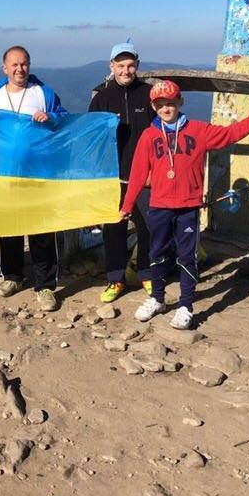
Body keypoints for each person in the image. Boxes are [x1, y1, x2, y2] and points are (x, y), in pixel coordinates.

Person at [121, 80, 249, 330]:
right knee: (155, 254)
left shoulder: (198, 130)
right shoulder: (148, 135)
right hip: (158, 206)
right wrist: (127, 207)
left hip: (188, 207)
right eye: (160, 104)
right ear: (153, 106)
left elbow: (231, 134)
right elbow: (137, 174)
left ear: (180, 102)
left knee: (187, 256)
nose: (166, 108)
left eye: (170, 102)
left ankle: (185, 305)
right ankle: (157, 298)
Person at [0, 45, 67, 311]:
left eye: (23, 64)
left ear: (29, 65)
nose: (19, 69)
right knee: (7, 227)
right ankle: (12, 276)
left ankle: (45, 286)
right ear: (4, 68)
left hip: (39, 175)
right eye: (14, 65)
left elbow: (65, 121)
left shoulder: (43, 94)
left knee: (42, 230)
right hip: (4, 175)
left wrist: (52, 118)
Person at [89, 40, 155, 303]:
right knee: (114, 228)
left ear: (137, 65)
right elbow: (91, 140)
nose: (126, 70)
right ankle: (115, 279)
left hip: (147, 177)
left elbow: (164, 133)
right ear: (111, 66)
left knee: (148, 227)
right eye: (120, 65)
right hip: (112, 178)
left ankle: (147, 274)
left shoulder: (150, 95)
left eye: (130, 65)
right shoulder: (102, 98)